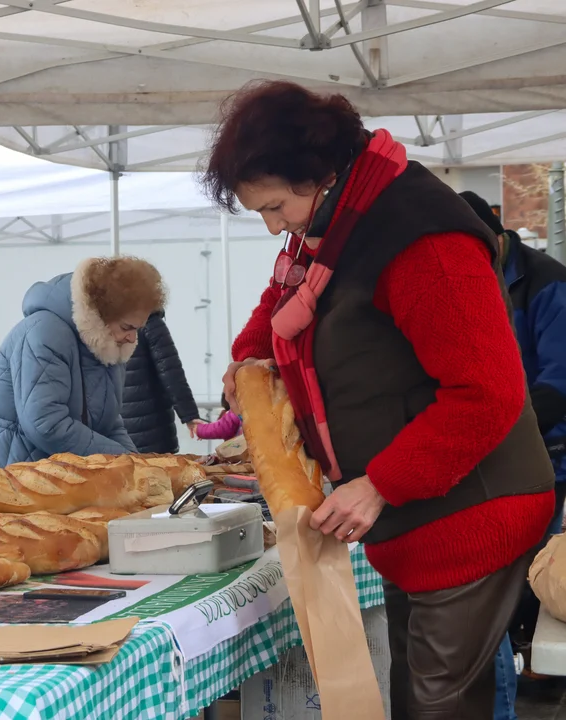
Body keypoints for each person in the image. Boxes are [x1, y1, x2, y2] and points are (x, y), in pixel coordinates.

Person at [202, 80, 554, 719]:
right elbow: (283, 297)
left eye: (276, 206)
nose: (274, 226)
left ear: (320, 173)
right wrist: (249, 356)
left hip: (471, 510)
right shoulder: (337, 222)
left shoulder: (424, 242)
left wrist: (379, 484)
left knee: (438, 705)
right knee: (419, 696)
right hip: (413, 516)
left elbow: (487, 394)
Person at [460, 190, 566, 720]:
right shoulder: (466, 281)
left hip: (545, 457)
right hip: (487, 460)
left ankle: (538, 676)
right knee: (495, 587)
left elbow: (559, 384)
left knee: (526, 579)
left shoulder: (549, 284)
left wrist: (496, 433)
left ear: (498, 239)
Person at [0, 256, 166, 513]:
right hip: (9, 483)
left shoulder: (108, 345)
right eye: (127, 327)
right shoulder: (43, 332)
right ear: (101, 314)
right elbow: (46, 423)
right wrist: (122, 461)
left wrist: (139, 465)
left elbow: (109, 423)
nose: (132, 338)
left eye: (138, 329)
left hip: (54, 486)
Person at [121, 311, 204, 453]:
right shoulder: (150, 322)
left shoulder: (105, 323)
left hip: (116, 432)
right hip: (153, 431)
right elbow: (171, 372)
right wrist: (189, 415)